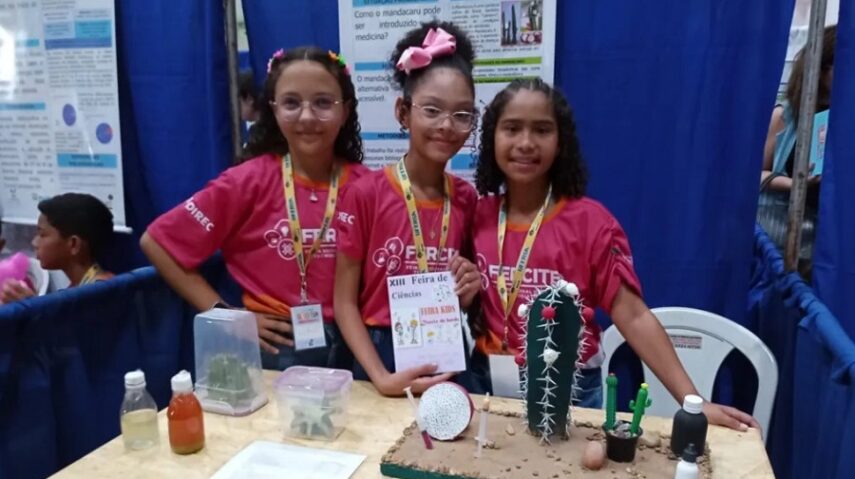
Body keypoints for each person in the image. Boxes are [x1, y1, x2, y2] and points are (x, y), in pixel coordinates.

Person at [470, 78, 760, 432]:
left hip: (571, 392)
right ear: (492, 138)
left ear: (561, 142)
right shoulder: (478, 216)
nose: (526, 142)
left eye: (542, 130)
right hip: (487, 386)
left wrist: (693, 400)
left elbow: (633, 315)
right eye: (512, 128)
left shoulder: (592, 223)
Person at [141, 47, 368, 370]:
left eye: (322, 103)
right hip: (275, 346)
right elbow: (157, 243)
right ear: (273, 110)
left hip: (355, 343)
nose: (306, 116)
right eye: (292, 103)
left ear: (344, 111)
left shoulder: (367, 186)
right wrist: (226, 315)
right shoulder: (246, 181)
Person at [334, 21, 481, 396]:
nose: (447, 126)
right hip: (379, 353)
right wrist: (381, 377)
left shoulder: (466, 198)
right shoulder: (365, 193)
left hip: (446, 345)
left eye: (462, 114)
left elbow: (465, 290)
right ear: (403, 112)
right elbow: (344, 302)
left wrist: (468, 287)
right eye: (431, 110)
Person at [758, 25, 836, 275]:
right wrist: (794, 184)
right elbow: (754, 175)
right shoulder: (786, 115)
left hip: (828, 239)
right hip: (782, 234)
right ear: (821, 70)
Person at [1, 193, 114, 303]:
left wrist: (31, 307)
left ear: (73, 244)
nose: (34, 242)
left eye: (42, 235)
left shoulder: (103, 294)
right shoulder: (78, 288)